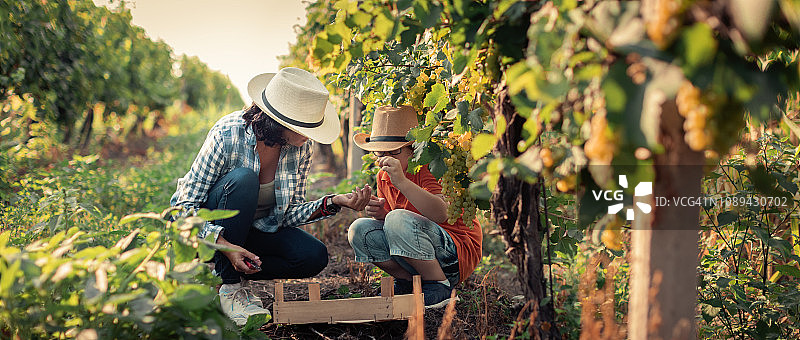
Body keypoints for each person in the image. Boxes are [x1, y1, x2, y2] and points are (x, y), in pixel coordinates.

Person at [171, 67, 371, 326]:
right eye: (302, 128)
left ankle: (226, 274)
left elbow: (288, 213)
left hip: (253, 231)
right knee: (243, 179)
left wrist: (332, 202)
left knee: (313, 255)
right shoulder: (227, 134)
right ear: (280, 122)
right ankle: (230, 287)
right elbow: (181, 208)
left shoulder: (301, 148)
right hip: (212, 231)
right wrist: (224, 244)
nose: (309, 136)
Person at [347, 105, 482, 309]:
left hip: (454, 254)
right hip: (419, 252)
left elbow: (440, 213)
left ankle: (440, 287)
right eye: (379, 153)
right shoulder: (384, 176)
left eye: (393, 151)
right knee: (360, 230)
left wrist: (402, 182)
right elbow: (399, 226)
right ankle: (410, 282)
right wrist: (381, 213)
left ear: (413, 149)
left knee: (396, 219)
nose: (384, 158)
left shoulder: (429, 166)